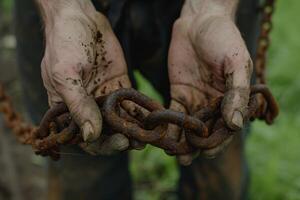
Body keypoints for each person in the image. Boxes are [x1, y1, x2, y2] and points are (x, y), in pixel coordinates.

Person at [15, 0, 261, 199]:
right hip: (70, 19)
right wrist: (63, 11)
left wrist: (214, 8)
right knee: (81, 179)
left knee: (219, 176)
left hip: (205, 13)